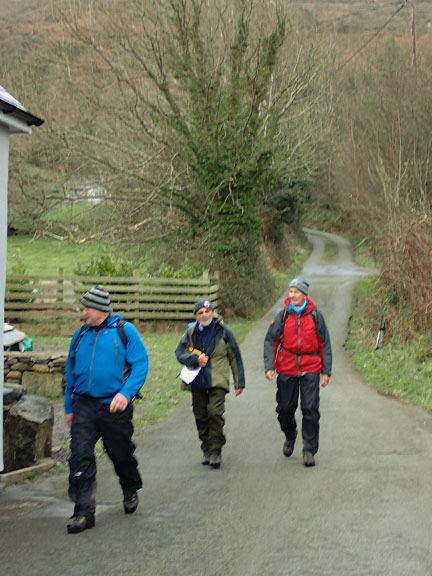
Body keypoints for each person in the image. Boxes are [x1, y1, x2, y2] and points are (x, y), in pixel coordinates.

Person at [64, 285, 149, 533]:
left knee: (121, 454)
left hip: (114, 407)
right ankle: (83, 512)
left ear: (99, 309)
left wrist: (126, 393)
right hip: (84, 406)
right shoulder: (80, 335)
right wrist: (69, 407)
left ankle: (130, 486)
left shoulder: (124, 331)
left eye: (86, 308)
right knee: (80, 456)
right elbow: (70, 372)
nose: (83, 313)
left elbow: (140, 363)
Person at [263, 278, 331, 467]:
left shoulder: (315, 315)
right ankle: (290, 433)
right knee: (285, 409)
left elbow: (324, 343)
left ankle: (309, 449)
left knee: (310, 409)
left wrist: (326, 371)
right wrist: (270, 366)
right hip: (287, 366)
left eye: (295, 292)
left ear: (304, 294)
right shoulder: (282, 315)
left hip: (310, 366)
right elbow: (271, 340)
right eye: (290, 292)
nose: (291, 295)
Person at [175, 298, 245, 468]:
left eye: (207, 311)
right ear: (196, 316)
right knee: (201, 416)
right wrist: (194, 359)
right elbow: (179, 353)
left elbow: (235, 356)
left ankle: (215, 451)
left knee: (214, 412)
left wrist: (239, 381)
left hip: (218, 379)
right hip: (197, 380)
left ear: (212, 313)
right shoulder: (191, 333)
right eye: (201, 312)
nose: (205, 315)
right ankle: (206, 448)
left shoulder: (224, 332)